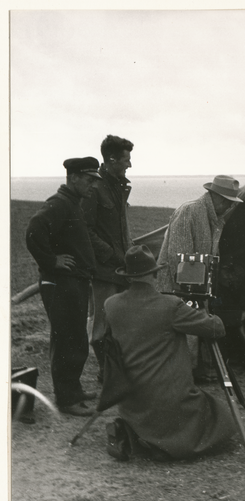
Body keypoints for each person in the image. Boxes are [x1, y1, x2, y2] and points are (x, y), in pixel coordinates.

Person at [101, 245, 238, 461]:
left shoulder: (111, 305)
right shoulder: (170, 306)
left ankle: (139, 435)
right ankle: (165, 443)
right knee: (215, 414)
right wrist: (203, 311)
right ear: (155, 274)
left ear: (128, 277)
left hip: (130, 401)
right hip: (167, 401)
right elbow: (216, 328)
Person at [26, 157, 101, 416]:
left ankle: (73, 390)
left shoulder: (72, 203)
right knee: (67, 339)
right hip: (61, 283)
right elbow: (34, 229)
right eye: (89, 180)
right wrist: (51, 261)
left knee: (75, 338)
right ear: (73, 178)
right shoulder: (60, 204)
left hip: (73, 282)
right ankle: (67, 400)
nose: (93, 185)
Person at [156, 174, 243, 380]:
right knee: (185, 332)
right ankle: (184, 376)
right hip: (177, 286)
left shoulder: (215, 218)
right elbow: (179, 256)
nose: (230, 207)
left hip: (194, 286)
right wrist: (197, 290)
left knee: (193, 331)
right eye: (229, 203)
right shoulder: (190, 211)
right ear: (219, 199)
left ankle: (191, 372)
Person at [81, 134, 134, 382]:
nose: (129, 165)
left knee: (118, 323)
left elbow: (121, 228)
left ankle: (114, 371)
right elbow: (86, 231)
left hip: (121, 267)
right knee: (102, 327)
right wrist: (112, 255)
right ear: (111, 159)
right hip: (104, 270)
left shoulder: (118, 187)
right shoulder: (95, 189)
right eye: (126, 160)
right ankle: (107, 373)